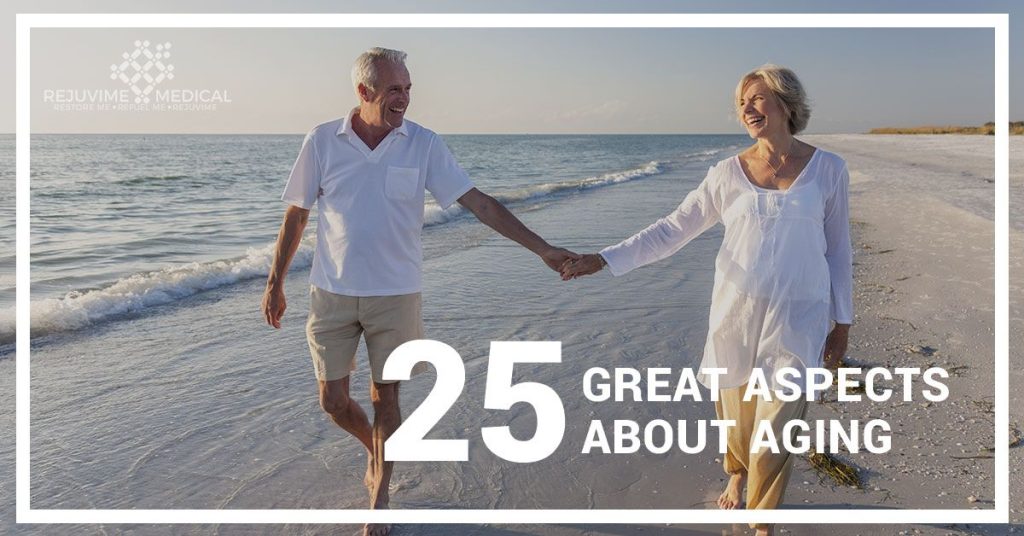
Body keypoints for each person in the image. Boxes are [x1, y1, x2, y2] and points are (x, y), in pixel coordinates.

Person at [261, 47, 578, 536]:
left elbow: (480, 204)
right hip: (331, 292)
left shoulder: (424, 144)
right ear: (364, 92)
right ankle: (377, 447)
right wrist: (275, 282)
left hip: (397, 295)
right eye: (394, 90)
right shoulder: (322, 140)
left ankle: (380, 497)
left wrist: (542, 249)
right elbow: (297, 215)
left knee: (387, 397)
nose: (404, 99)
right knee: (332, 401)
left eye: (408, 89)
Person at [560, 64, 853, 536]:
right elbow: (673, 230)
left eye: (757, 99)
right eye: (741, 103)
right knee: (738, 426)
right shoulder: (726, 174)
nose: (747, 109)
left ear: (786, 103)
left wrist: (842, 324)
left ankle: (762, 525)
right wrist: (604, 259)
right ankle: (735, 475)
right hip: (736, 316)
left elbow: (839, 250)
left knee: (775, 432)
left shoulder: (829, 170)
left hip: (800, 316)